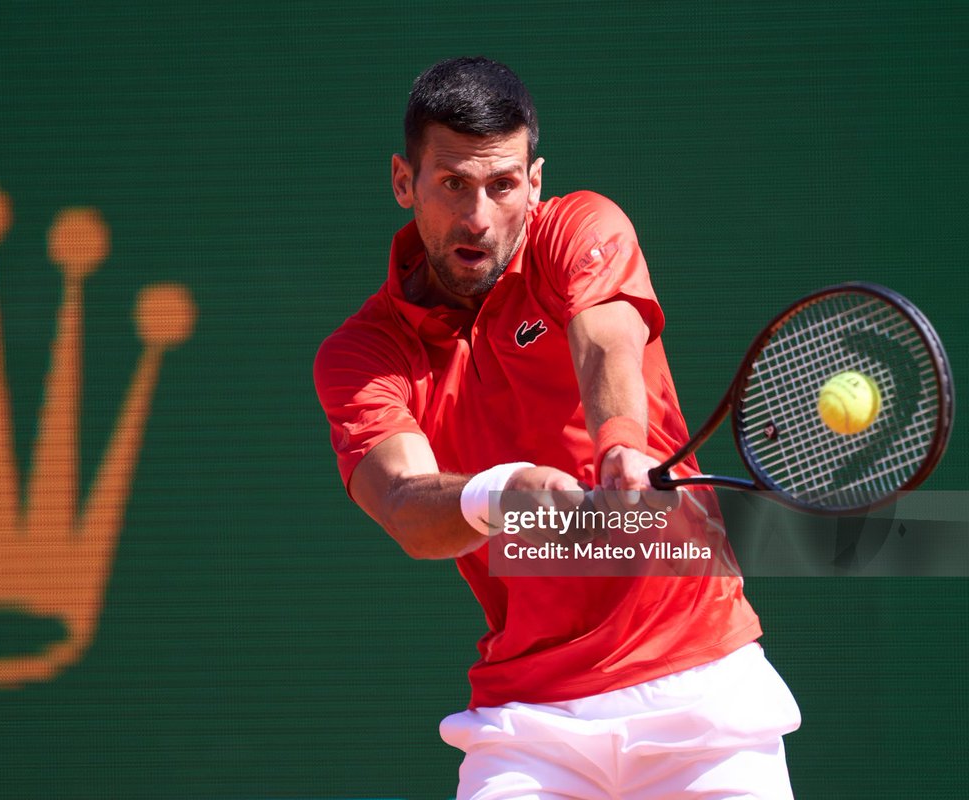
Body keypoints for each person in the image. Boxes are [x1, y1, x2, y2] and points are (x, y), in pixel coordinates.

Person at [313, 56, 800, 799]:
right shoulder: (362, 355)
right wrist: (500, 494)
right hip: (529, 729)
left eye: (503, 185)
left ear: (534, 183)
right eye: (453, 184)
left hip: (702, 697)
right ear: (404, 182)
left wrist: (621, 450)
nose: (479, 216)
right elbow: (408, 506)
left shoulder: (581, 227)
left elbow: (605, 338)